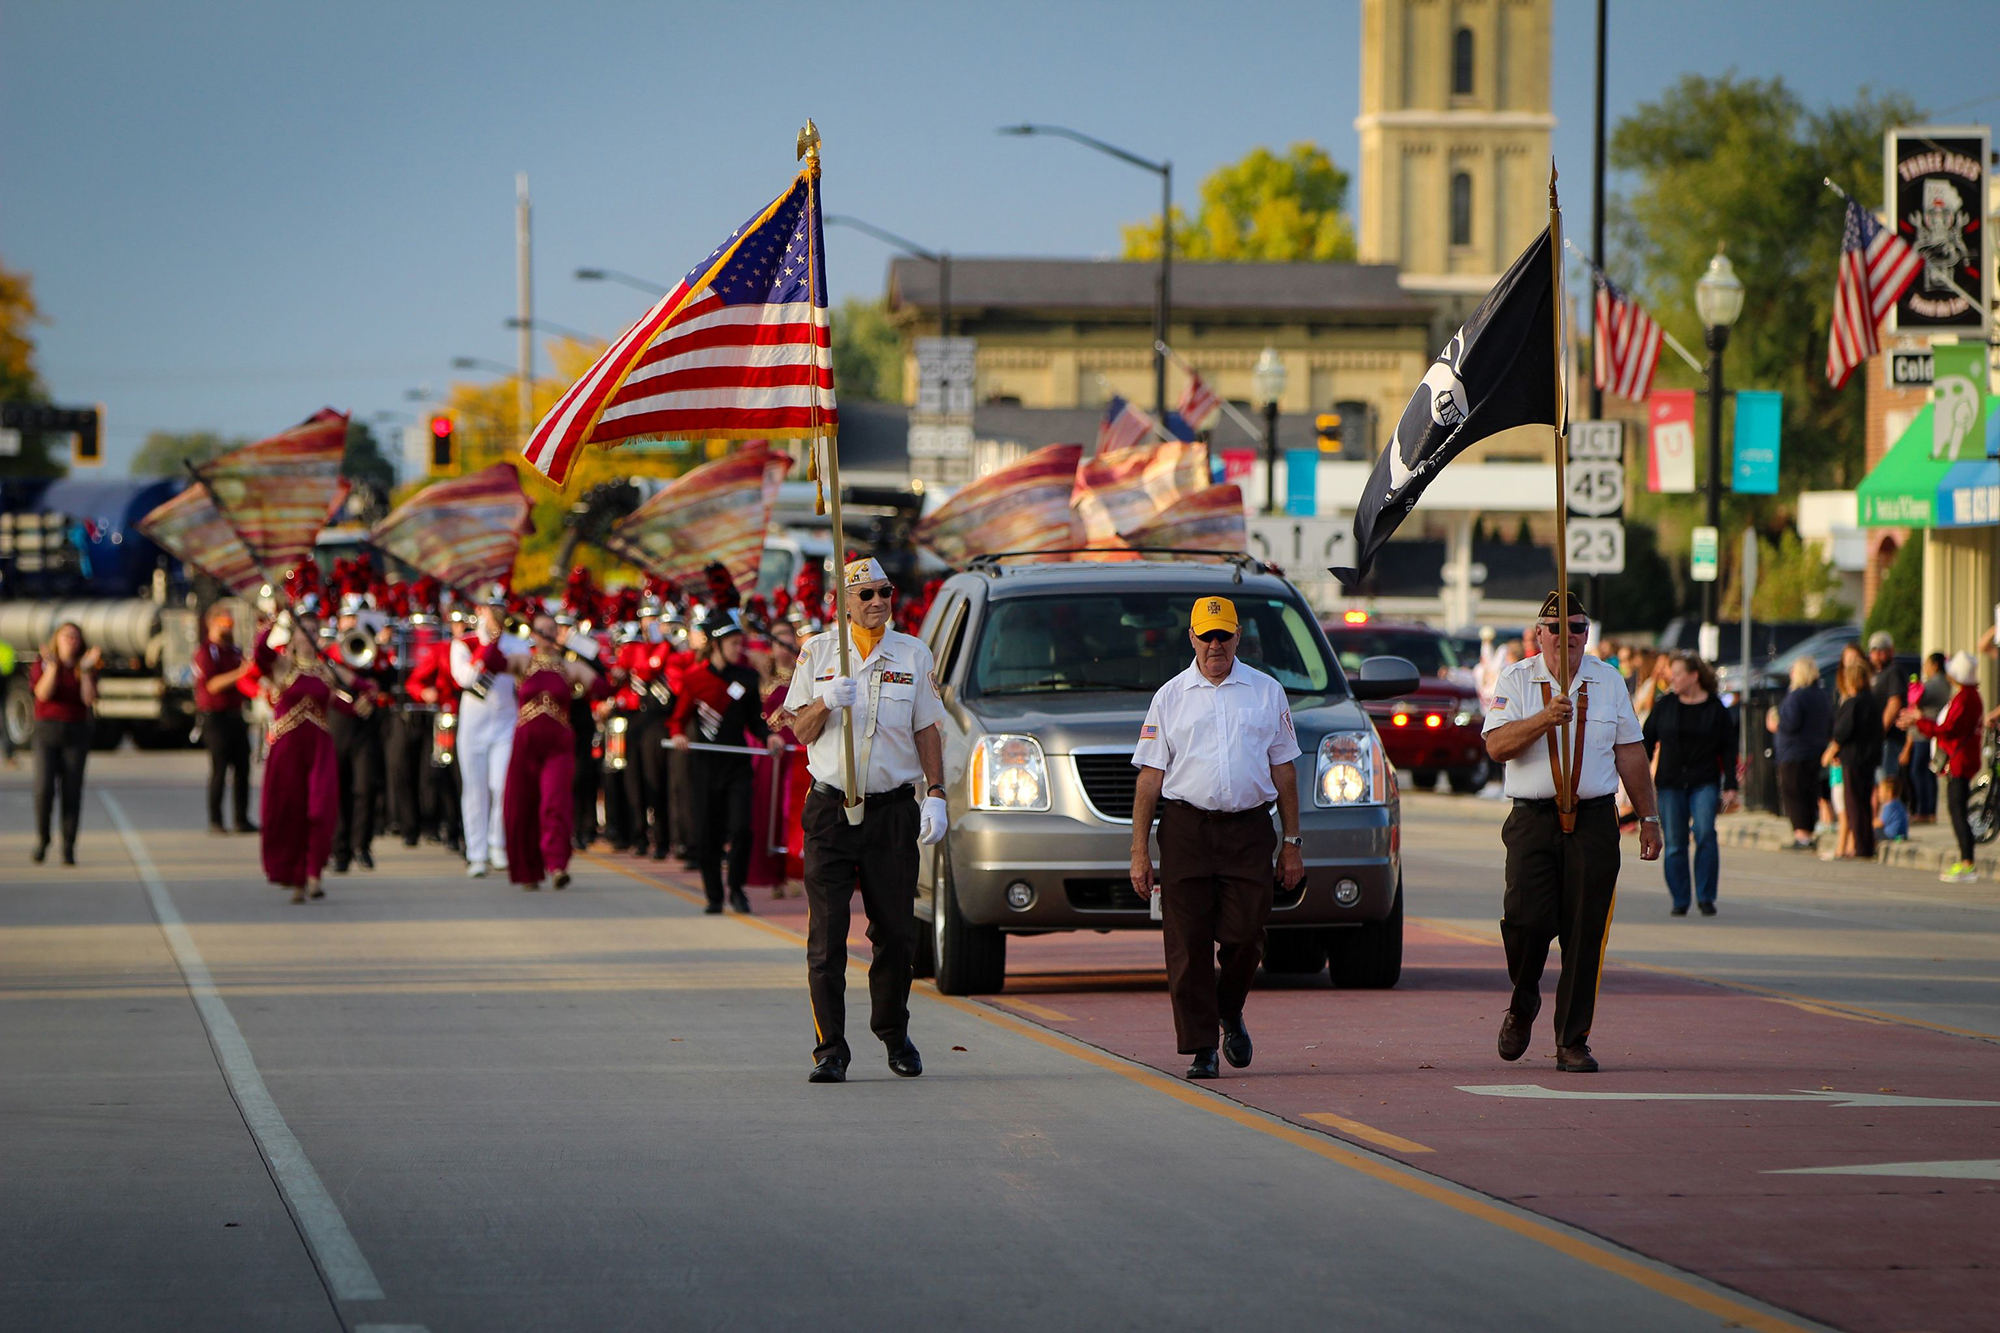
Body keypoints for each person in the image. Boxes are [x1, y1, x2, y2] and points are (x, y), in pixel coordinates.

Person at [778, 557, 948, 1085]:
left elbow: (927, 729)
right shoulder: (819, 651)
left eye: (885, 591)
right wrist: (827, 700)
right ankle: (830, 1048)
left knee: (897, 933)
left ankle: (893, 1031)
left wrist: (936, 792)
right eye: (866, 594)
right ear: (843, 601)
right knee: (827, 937)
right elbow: (800, 730)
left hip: (891, 810)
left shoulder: (912, 654)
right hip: (831, 807)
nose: (877, 602)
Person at [1482, 591, 1661, 1074]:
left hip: (1594, 820)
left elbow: (1630, 752)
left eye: (1578, 627)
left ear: (1589, 633)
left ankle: (1572, 1039)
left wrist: (1648, 817)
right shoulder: (1517, 679)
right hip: (1533, 819)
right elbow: (1497, 746)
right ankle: (1523, 1003)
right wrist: (1543, 718)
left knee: (1586, 933)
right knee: (1524, 921)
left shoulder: (1608, 681)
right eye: (1557, 627)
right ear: (1540, 633)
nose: (1568, 636)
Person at [1128, 594, 1304, 1081]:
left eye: (1223, 635)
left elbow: (1284, 769)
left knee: (1246, 936)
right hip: (1186, 829)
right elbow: (1149, 777)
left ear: (1237, 636)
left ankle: (1229, 1011)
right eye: (1205, 636)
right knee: (1187, 943)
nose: (1214, 645)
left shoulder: (1267, 692)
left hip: (1249, 830)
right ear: (1191, 638)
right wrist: (1139, 850)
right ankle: (1202, 1046)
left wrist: (1292, 841)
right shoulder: (1169, 697)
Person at [671, 611, 782, 914]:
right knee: (708, 831)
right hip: (705, 766)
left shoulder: (746, 677)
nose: (739, 648)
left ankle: (737, 888)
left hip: (738, 766)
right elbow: (677, 720)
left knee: (742, 827)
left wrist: (769, 737)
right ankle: (714, 894)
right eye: (734, 643)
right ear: (717, 644)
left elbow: (755, 722)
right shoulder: (694, 678)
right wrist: (679, 735)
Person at [490, 612, 603, 890]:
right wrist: (497, 633)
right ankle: (529, 871)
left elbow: (602, 685)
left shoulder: (569, 666)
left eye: (550, 630)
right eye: (540, 630)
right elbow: (491, 663)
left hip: (558, 745)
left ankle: (556, 865)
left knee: (555, 802)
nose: (545, 635)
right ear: (533, 634)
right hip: (526, 743)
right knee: (522, 805)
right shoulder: (524, 662)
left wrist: (583, 648)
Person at [1643, 653, 1738, 916]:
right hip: (1670, 783)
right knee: (1674, 842)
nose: (1672, 678)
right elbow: (1646, 741)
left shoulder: (1715, 708)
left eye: (1677, 674)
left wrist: (1730, 783)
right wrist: (1639, 780)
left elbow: (1729, 748)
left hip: (1704, 782)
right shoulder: (1665, 706)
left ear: (1694, 676)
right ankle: (1680, 898)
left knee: (1706, 833)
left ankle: (1706, 896)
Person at [254, 613, 340, 903]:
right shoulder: (283, 666)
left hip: (319, 748)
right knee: (290, 812)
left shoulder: (327, 670)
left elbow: (357, 689)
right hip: (287, 751)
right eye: (304, 630)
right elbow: (259, 654)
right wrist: (269, 625)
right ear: (294, 634)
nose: (310, 635)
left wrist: (367, 698)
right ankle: (297, 880)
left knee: (319, 810)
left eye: (315, 630)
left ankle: (314, 873)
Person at [451, 588, 526, 879]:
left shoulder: (518, 642)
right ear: (479, 610)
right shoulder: (464, 643)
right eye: (488, 608)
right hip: (473, 727)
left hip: (506, 723)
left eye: (499, 608)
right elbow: (465, 678)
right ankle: (476, 853)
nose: (494, 614)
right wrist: (488, 646)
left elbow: (522, 678)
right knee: (475, 789)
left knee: (503, 785)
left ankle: (498, 843)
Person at [1900, 651, 1984, 883]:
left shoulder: (1966, 698)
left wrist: (1920, 722)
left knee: (1957, 810)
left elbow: (1948, 728)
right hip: (1962, 759)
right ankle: (1966, 860)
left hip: (1960, 760)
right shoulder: (1968, 695)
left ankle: (1968, 862)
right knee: (1957, 809)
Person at [29, 621, 100, 865]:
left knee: (72, 791)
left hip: (76, 733)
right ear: (57, 639)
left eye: (76, 636)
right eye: (66, 635)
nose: (71, 640)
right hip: (47, 732)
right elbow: (43, 694)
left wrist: (87, 671)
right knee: (44, 789)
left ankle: (68, 846)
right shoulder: (44, 663)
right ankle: (43, 839)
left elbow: (88, 699)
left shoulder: (85, 667)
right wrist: (53, 667)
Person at [193, 604, 256, 836]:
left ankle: (242, 819)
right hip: (215, 717)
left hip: (236, 715)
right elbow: (213, 684)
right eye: (224, 624)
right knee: (219, 769)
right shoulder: (206, 652)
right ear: (213, 624)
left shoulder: (235, 651)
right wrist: (242, 673)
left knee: (243, 768)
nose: (228, 629)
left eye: (231, 624)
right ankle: (216, 820)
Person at [1768, 655, 1833, 850]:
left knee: (1794, 794)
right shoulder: (1821, 694)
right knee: (1809, 794)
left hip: (1794, 752)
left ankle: (1802, 835)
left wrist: (1775, 721)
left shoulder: (1797, 696)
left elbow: (1791, 723)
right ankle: (1808, 833)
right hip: (1815, 751)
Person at [1826, 658, 1881, 861]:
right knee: (1865, 802)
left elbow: (1842, 732)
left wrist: (1831, 752)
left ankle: (1859, 845)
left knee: (1854, 803)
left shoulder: (1853, 703)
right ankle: (1866, 843)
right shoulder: (1873, 702)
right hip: (1870, 757)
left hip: (1853, 758)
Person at [1867, 631, 1906, 834]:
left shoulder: (1894, 672)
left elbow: (1894, 703)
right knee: (1877, 785)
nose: (1877, 655)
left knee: (1887, 783)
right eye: (1874, 651)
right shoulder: (1875, 675)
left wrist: (1879, 732)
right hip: (1876, 740)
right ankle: (1877, 824)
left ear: (1890, 651)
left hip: (1888, 739)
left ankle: (1890, 826)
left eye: (1881, 651)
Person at [1908, 652, 1950, 823]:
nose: (1924, 668)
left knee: (1919, 771)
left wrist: (1914, 688)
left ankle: (1925, 811)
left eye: (1927, 664)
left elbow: (1917, 697)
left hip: (1926, 734)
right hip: (1926, 733)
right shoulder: (1941, 682)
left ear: (1935, 665)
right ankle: (1927, 811)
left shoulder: (1937, 683)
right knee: (1926, 772)